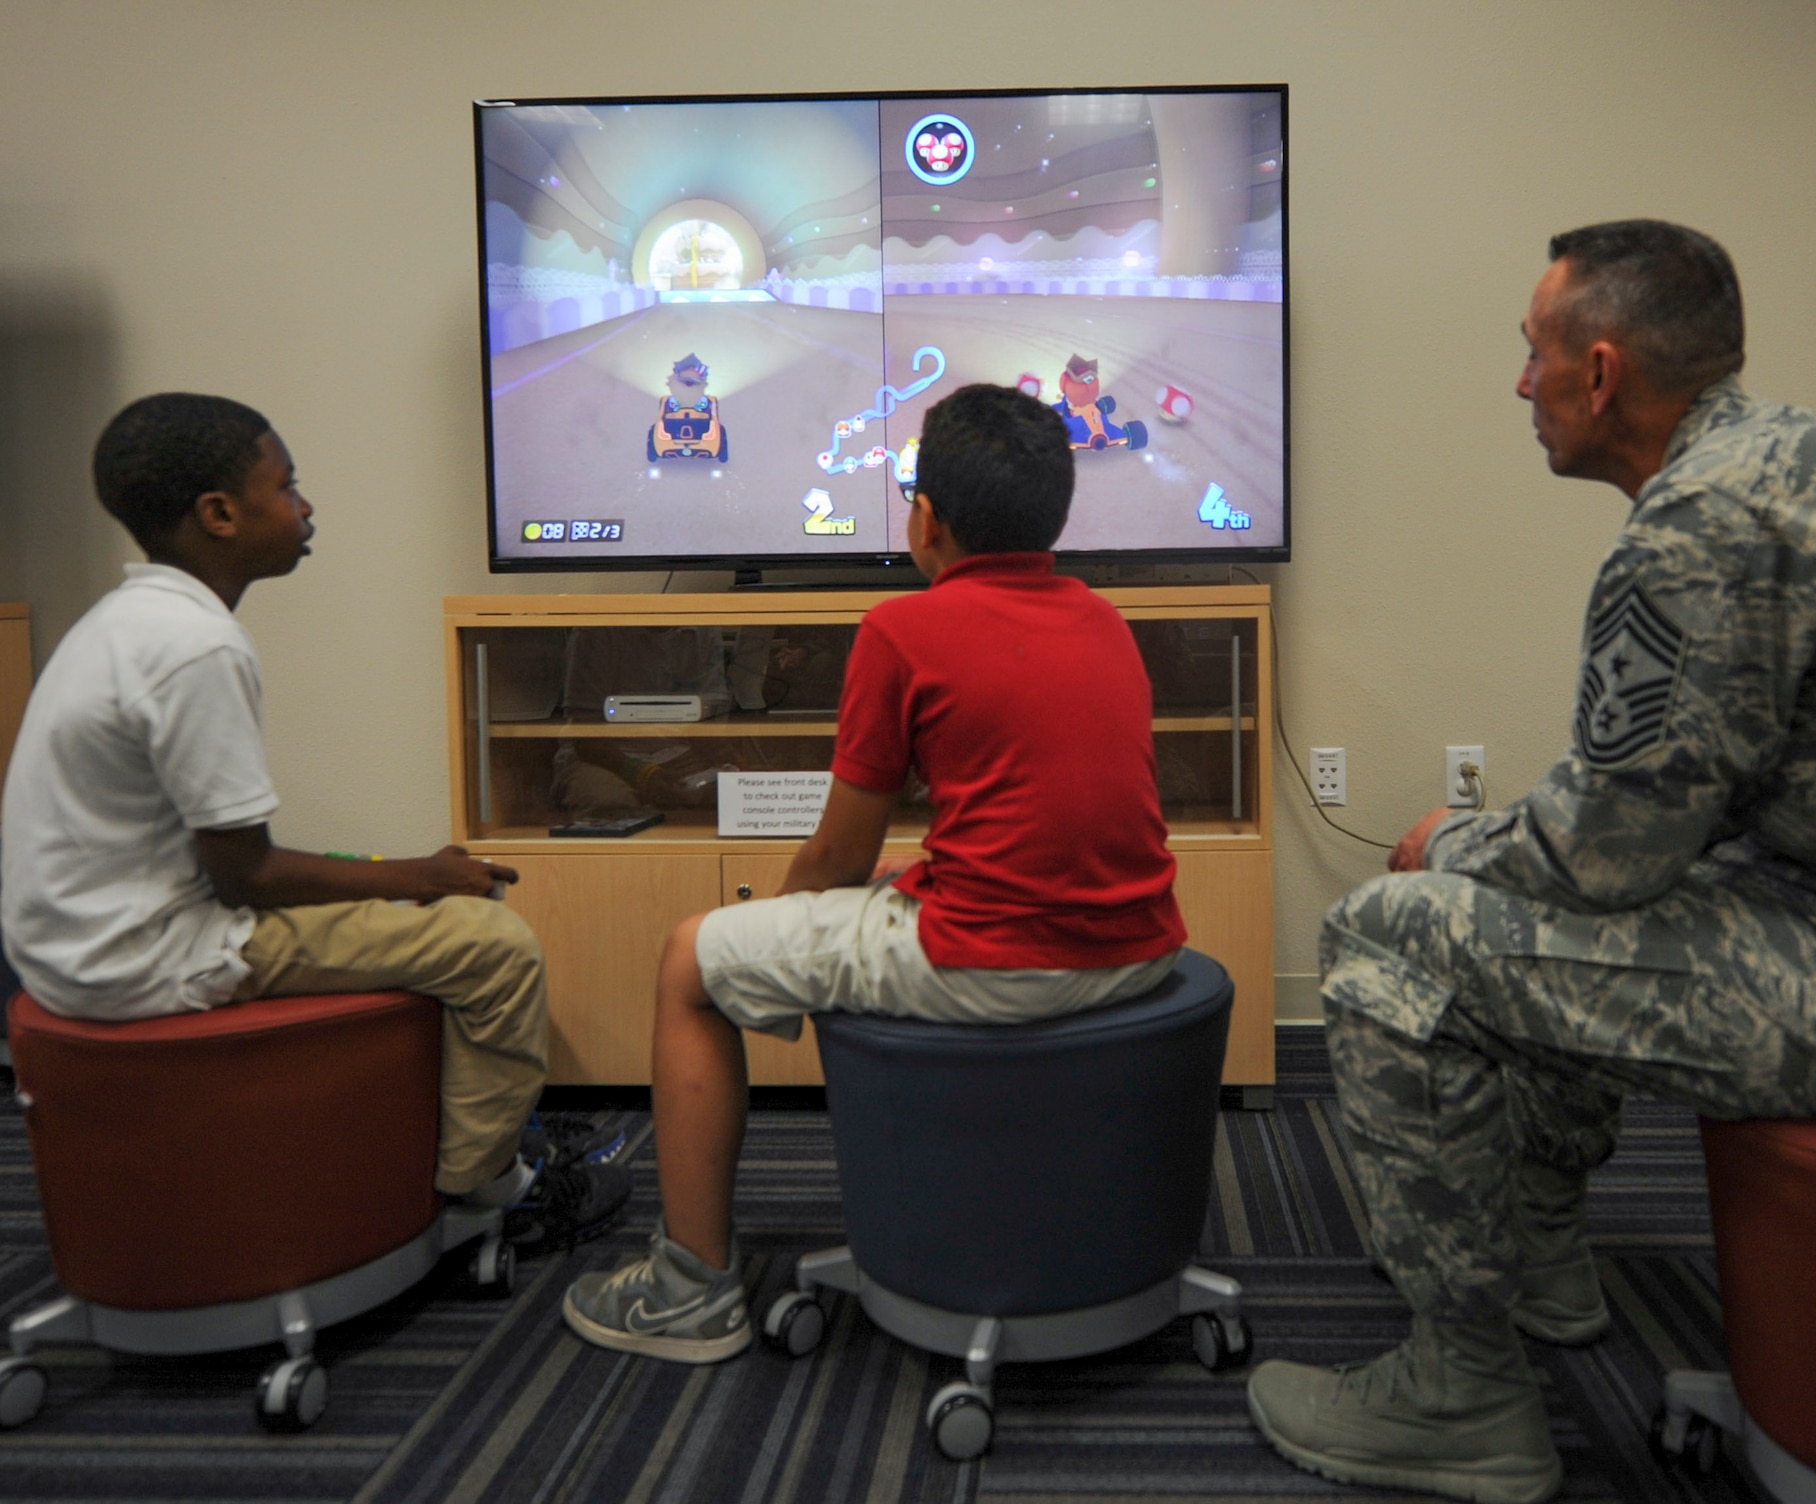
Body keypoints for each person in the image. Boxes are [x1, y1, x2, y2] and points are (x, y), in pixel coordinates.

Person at [1247, 221, 1816, 1503]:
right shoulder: (1794, 468)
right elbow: (1660, 809)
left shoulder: (1699, 523)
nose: (1516, 387)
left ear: (1598, 373)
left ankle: (1459, 1394)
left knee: (1391, 926)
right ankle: (1540, 1256)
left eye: (1528, 354)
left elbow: (1600, 859)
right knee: (1523, 901)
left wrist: (1446, 840)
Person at [562, 383, 1188, 1362]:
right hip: (1139, 952)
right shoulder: (1104, 621)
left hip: (990, 963)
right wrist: (920, 874)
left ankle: (688, 1289)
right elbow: (1039, 817)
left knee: (689, 961)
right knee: (896, 877)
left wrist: (766, 941)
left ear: (924, 518)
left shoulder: (903, 631)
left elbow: (834, 858)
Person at [0, 393, 628, 1247]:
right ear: (219, 514)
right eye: (287, 485)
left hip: (72, 944)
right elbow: (245, 876)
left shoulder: (126, 621)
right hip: (145, 956)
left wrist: (402, 879)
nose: (306, 507)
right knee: (492, 945)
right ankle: (498, 1189)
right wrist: (420, 874)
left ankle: (497, 1139)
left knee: (419, 902)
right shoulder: (197, 647)